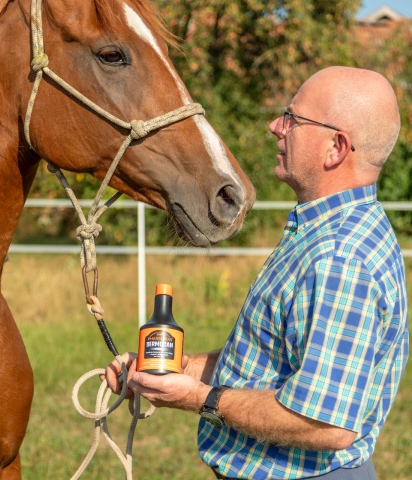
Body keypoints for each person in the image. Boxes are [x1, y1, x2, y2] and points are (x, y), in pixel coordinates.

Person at [106, 66, 409, 479]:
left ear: (335, 148)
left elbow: (325, 423)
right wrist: (165, 368)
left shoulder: (341, 257)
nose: (275, 127)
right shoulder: (322, 234)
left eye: (293, 118)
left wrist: (200, 399)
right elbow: (266, 364)